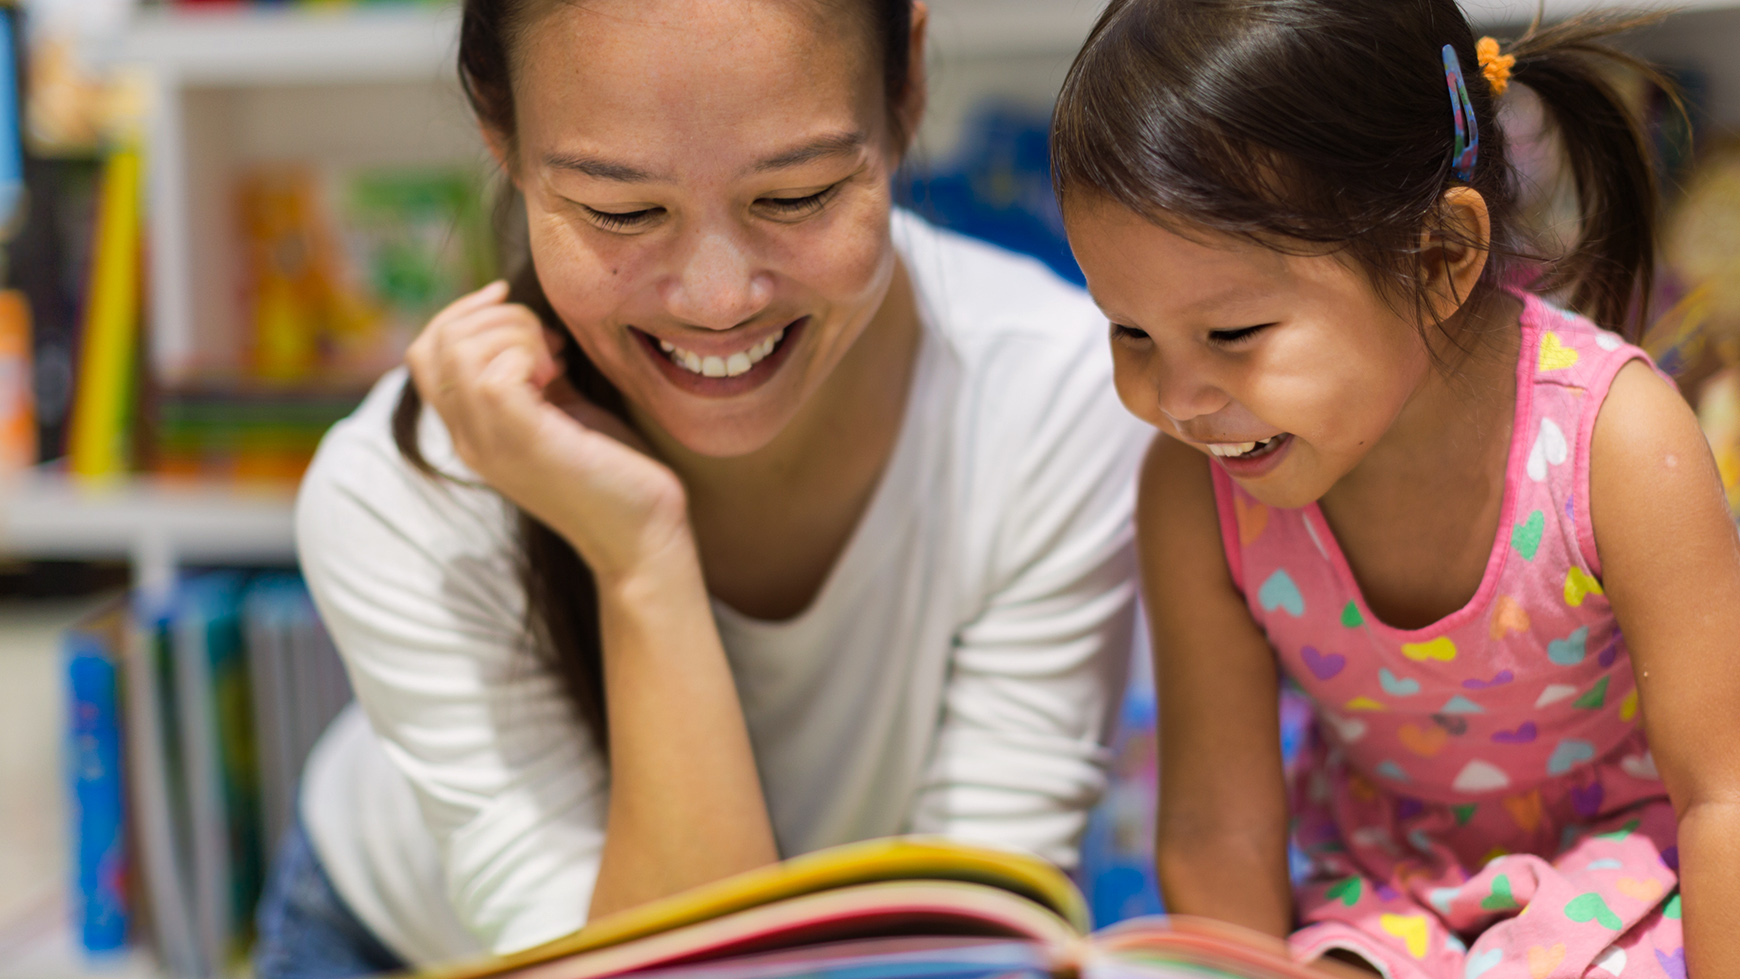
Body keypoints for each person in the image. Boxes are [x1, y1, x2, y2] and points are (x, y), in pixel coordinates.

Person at [252, 0, 1151, 976]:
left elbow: (971, 940)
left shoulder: (1056, 401)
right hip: (397, 943)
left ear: (907, 87)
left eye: (798, 194)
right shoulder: (402, 492)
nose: (721, 300)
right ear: (499, 132)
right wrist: (640, 558)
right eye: (623, 211)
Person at [1050, 2, 1740, 978]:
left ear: (1442, 256)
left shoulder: (1616, 441)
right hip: (1386, 893)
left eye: (1235, 334)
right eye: (1129, 332)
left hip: (1640, 868)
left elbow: (1726, 798)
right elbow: (1221, 830)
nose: (1178, 399)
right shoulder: (1196, 492)